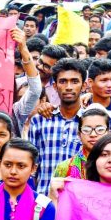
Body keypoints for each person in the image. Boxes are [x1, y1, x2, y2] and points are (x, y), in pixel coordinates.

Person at [29, 59, 86, 194]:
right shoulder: (40, 120)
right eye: (63, 81)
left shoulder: (91, 123)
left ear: (83, 86)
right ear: (55, 86)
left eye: (74, 81)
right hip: (44, 200)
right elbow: (31, 166)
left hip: (79, 202)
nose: (68, 87)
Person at [53, 106, 108, 179]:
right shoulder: (64, 168)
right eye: (86, 130)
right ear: (79, 134)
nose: (93, 134)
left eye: (100, 129)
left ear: (108, 133)